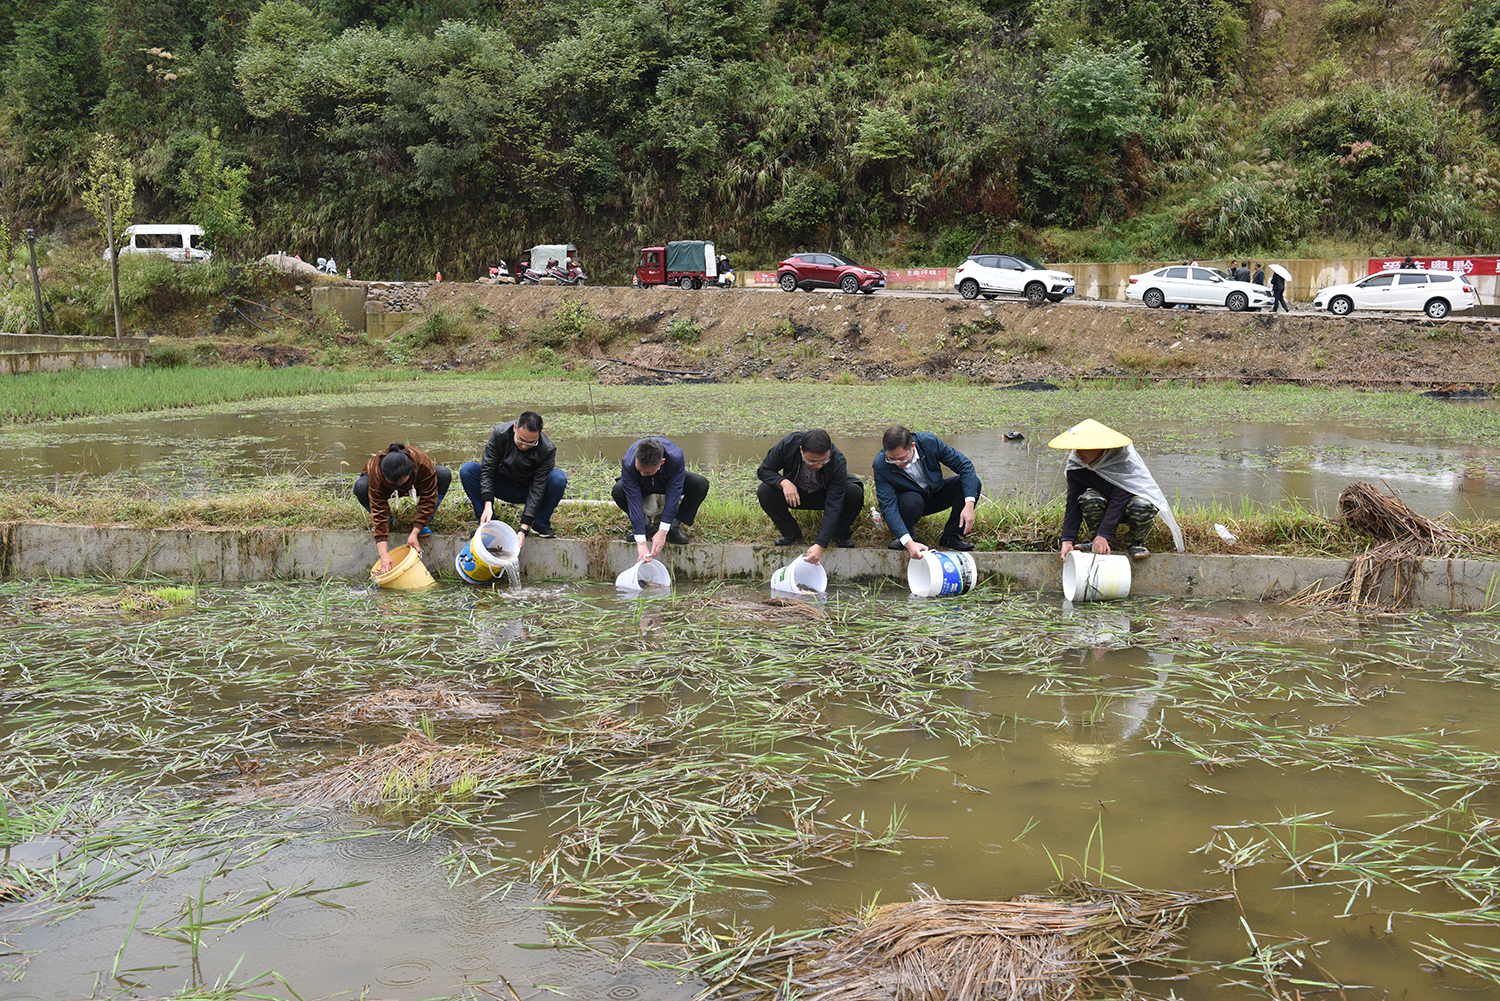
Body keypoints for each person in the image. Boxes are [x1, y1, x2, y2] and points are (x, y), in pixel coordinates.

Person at [1048, 419, 1184, 561]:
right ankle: (1097, 540)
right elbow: (1072, 502)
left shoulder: (1122, 461)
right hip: (1103, 502)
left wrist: (1104, 534)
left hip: (1130, 504)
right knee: (1088, 498)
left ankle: (1135, 542)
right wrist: (1068, 540)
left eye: (1085, 448)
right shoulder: (1077, 465)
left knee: (1142, 505)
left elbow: (1120, 500)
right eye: (1076, 448)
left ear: (1101, 447)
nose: (1079, 452)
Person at [458, 411, 567, 553]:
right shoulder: (500, 434)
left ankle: (540, 523)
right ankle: (489, 524)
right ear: (515, 428)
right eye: (521, 440)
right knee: (468, 470)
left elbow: (538, 487)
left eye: (531, 443)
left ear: (539, 434)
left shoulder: (547, 449)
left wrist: (523, 528)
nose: (524, 446)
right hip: (503, 485)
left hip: (528, 491)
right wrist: (487, 503)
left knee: (558, 478)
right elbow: (488, 470)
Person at [756, 428, 863, 565]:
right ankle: (791, 532)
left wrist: (820, 544)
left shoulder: (838, 460)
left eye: (824, 461)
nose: (818, 465)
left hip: (823, 496)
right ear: (801, 450)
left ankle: (839, 533)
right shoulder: (788, 444)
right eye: (812, 461)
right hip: (796, 494)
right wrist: (783, 482)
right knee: (765, 491)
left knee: (854, 493)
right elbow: (764, 470)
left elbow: (834, 503)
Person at [872, 426, 981, 556]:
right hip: (910, 503)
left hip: (936, 493)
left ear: (913, 446)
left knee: (971, 483)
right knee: (912, 501)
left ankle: (950, 537)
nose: (897, 463)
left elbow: (965, 466)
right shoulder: (880, 465)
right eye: (891, 459)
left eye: (902, 458)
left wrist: (969, 505)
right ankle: (906, 538)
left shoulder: (929, 442)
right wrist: (908, 542)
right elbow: (888, 506)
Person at [354, 442, 451, 574]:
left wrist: (415, 532)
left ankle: (425, 523)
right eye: (395, 484)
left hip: (416, 482)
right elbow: (379, 511)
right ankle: (389, 522)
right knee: (361, 487)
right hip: (379, 485)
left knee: (443, 474)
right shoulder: (376, 470)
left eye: (403, 482)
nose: (400, 486)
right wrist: (383, 555)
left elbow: (428, 498)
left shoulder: (422, 462)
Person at [613, 437, 711, 563]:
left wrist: (664, 530)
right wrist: (641, 542)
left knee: (700, 484)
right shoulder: (629, 462)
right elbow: (634, 500)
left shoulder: (675, 457)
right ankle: (647, 527)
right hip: (642, 486)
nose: (642, 473)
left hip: (666, 481)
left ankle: (674, 527)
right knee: (618, 490)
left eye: (647, 472)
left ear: (662, 462)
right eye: (639, 470)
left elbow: (673, 495)